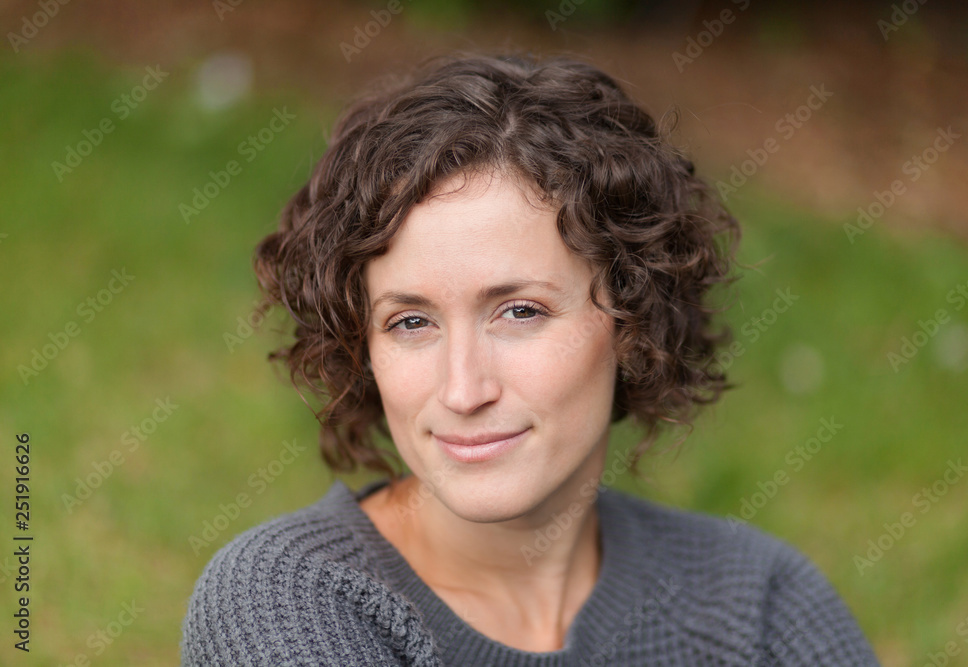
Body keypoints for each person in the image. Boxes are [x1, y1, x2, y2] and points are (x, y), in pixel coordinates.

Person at [181, 52, 879, 666]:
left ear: (634, 319)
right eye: (411, 321)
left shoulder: (758, 604)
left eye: (520, 312)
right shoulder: (284, 600)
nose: (464, 388)